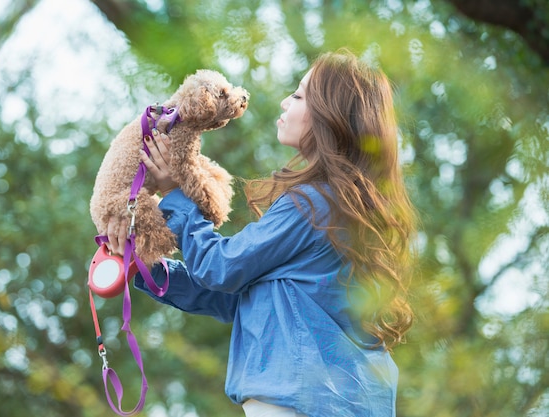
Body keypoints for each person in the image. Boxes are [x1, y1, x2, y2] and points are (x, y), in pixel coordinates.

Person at [104, 49, 417, 417]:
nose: (286, 102)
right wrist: (144, 268)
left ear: (331, 117)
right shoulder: (343, 206)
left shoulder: (312, 204)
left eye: (299, 95)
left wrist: (176, 196)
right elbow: (242, 300)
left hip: (300, 403)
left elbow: (221, 269)